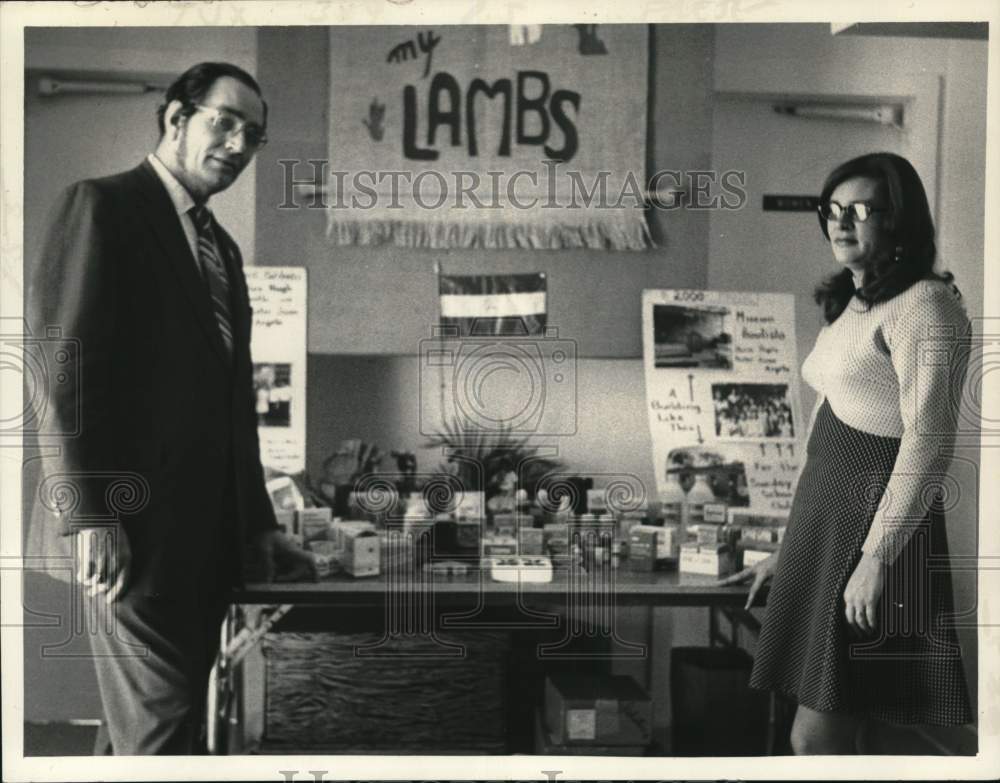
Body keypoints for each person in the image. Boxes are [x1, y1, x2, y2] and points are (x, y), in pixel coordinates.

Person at [26, 62, 315, 755]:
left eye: (254, 134)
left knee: (157, 726)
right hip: (130, 538)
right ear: (176, 117)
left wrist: (259, 526)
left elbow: (230, 404)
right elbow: (59, 371)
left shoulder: (222, 247)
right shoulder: (102, 206)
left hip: (204, 544)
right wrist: (91, 513)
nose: (240, 144)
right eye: (225, 121)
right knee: (160, 732)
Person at [721, 152, 973, 753]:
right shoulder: (854, 300)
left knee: (821, 732)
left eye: (861, 210)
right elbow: (828, 420)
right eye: (832, 209)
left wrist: (878, 557)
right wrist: (788, 548)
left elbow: (928, 442)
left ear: (899, 222)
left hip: (875, 527)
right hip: (826, 523)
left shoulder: (925, 306)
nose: (841, 222)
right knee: (846, 722)